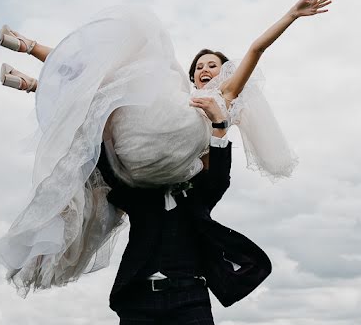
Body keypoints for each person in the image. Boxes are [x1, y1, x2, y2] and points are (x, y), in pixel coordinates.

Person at [0, 0, 333, 295]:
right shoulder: (177, 96)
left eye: (212, 65)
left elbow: (256, 49)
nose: (204, 71)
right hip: (138, 155)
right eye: (199, 66)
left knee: (105, 102)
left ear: (223, 72)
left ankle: (36, 86)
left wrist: (290, 16)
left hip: (174, 170)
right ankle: (29, 53)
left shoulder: (224, 97)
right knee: (107, 78)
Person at [97, 95, 270, 324]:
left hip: (190, 300)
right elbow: (111, 175)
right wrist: (102, 128)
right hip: (138, 301)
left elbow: (218, 177)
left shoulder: (198, 196)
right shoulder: (139, 195)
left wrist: (219, 123)